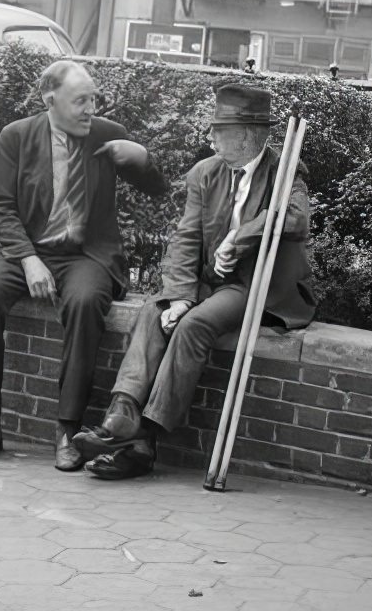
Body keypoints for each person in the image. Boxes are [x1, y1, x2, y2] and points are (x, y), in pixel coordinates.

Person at [72, 82, 315, 479]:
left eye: (218, 129)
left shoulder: (285, 171)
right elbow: (186, 239)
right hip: (207, 281)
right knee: (155, 311)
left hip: (252, 285)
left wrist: (241, 236)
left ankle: (142, 441)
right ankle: (122, 417)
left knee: (195, 325)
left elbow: (295, 218)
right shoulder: (205, 173)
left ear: (246, 135)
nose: (210, 136)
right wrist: (181, 296)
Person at [0, 60, 168, 470]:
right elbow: (2, 208)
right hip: (28, 248)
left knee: (86, 302)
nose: (91, 108)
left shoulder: (108, 136)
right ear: (49, 99)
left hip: (86, 254)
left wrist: (141, 158)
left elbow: (157, 190)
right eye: (81, 101)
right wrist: (28, 259)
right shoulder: (17, 137)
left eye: (94, 98)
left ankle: (67, 429)